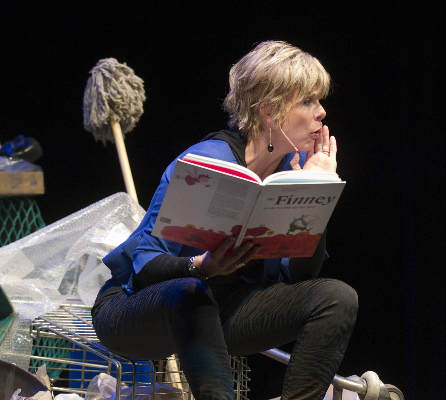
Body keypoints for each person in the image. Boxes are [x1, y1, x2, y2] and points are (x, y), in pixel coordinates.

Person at [92, 40, 358, 400]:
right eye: (308, 101)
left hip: (221, 310)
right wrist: (201, 265)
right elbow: (145, 264)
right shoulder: (207, 162)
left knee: (336, 297)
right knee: (191, 291)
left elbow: (300, 277)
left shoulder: (287, 172)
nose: (322, 112)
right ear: (270, 111)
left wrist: (316, 190)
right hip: (135, 309)